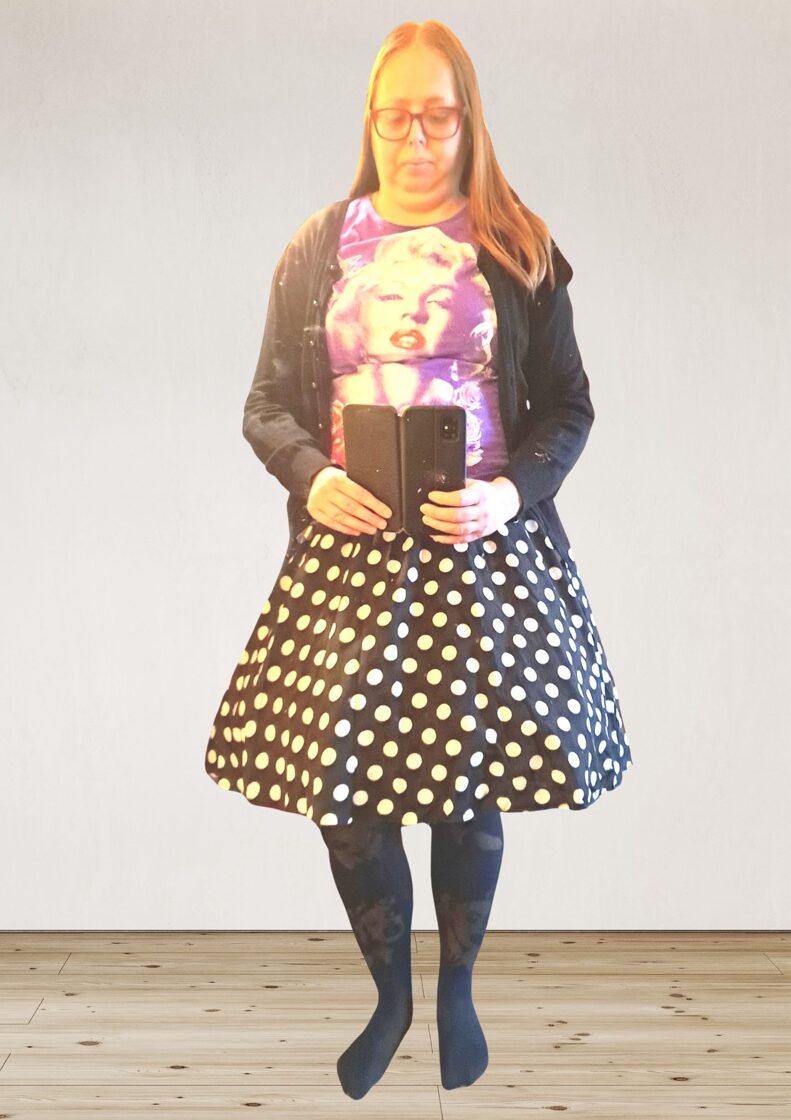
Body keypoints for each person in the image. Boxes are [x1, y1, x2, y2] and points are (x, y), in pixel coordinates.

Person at [204, 19, 633, 1099]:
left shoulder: (518, 246)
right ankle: (389, 992)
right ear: (370, 121)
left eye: (435, 118)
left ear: (467, 123)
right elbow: (264, 405)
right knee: (344, 797)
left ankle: (456, 991)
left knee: (463, 784)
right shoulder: (318, 248)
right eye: (394, 117)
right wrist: (310, 474)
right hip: (348, 556)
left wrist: (509, 492)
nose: (414, 138)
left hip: (478, 553)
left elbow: (570, 407)